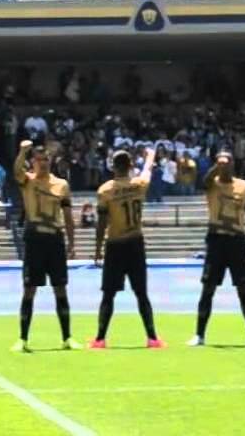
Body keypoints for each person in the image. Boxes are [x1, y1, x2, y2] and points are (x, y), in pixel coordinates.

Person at [189, 153, 245, 347]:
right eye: (220, 162)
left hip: (237, 241)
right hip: (216, 240)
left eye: (227, 162)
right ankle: (199, 335)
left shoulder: (244, 187)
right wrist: (217, 168)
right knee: (208, 288)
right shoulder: (212, 184)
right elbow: (204, 181)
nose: (224, 165)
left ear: (234, 164)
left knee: (244, 290)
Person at [91, 149, 164, 349]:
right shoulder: (139, 185)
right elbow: (147, 170)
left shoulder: (106, 190)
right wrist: (150, 156)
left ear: (113, 166)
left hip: (115, 245)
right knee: (141, 293)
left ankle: (100, 339)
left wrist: (97, 248)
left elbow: (102, 223)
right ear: (130, 165)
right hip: (135, 243)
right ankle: (152, 338)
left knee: (108, 294)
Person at [12, 140, 80, 352]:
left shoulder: (61, 185)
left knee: (60, 289)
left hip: (55, 239)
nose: (43, 163)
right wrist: (22, 151)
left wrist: (71, 242)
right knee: (29, 289)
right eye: (39, 160)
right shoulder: (28, 181)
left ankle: (67, 338)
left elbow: (68, 216)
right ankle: (23, 339)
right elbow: (16, 170)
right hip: (34, 239)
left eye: (46, 159)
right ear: (33, 163)